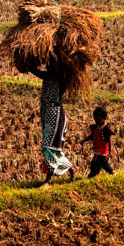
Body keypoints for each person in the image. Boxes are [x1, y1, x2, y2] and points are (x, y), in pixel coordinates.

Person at [29, 57, 75, 189]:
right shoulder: (48, 76)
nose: (48, 65)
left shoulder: (61, 78)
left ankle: (48, 180)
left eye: (51, 63)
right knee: (48, 146)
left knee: (49, 146)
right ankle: (69, 169)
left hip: (55, 114)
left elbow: (53, 66)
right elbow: (35, 71)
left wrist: (53, 52)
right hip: (47, 114)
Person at [83, 107, 115, 178]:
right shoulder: (96, 128)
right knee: (96, 163)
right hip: (97, 149)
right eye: (95, 119)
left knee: (100, 162)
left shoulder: (106, 128)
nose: (96, 121)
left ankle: (111, 171)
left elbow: (109, 140)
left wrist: (110, 151)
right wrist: (85, 140)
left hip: (102, 150)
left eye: (98, 119)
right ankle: (94, 174)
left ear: (104, 118)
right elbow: (91, 136)